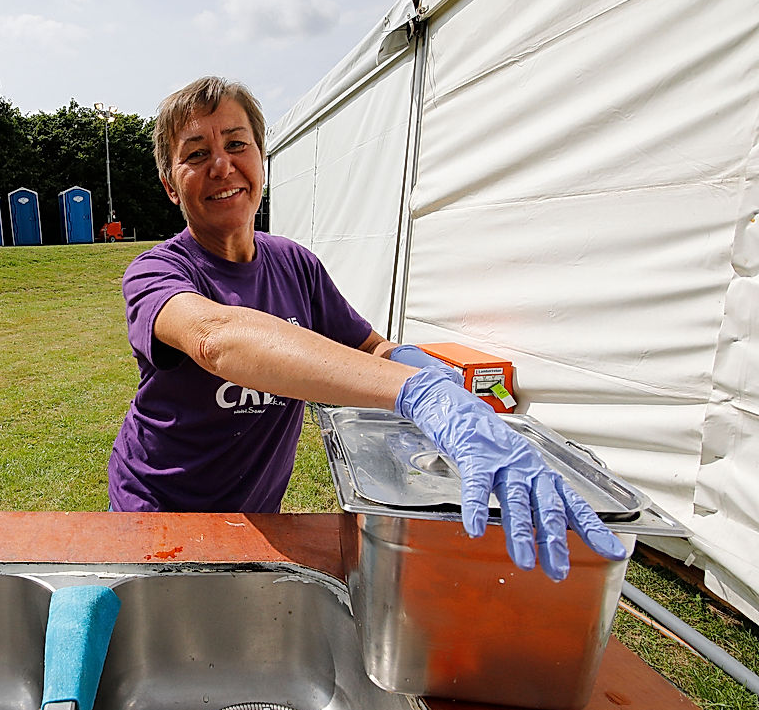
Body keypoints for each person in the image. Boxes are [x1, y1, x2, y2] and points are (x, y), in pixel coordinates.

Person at [108, 76, 626, 581]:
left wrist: (426, 373)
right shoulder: (157, 271)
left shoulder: (295, 264)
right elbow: (214, 338)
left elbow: (370, 346)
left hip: (258, 514)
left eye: (237, 144)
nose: (222, 165)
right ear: (170, 186)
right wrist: (416, 394)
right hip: (157, 509)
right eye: (195, 154)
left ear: (261, 161)